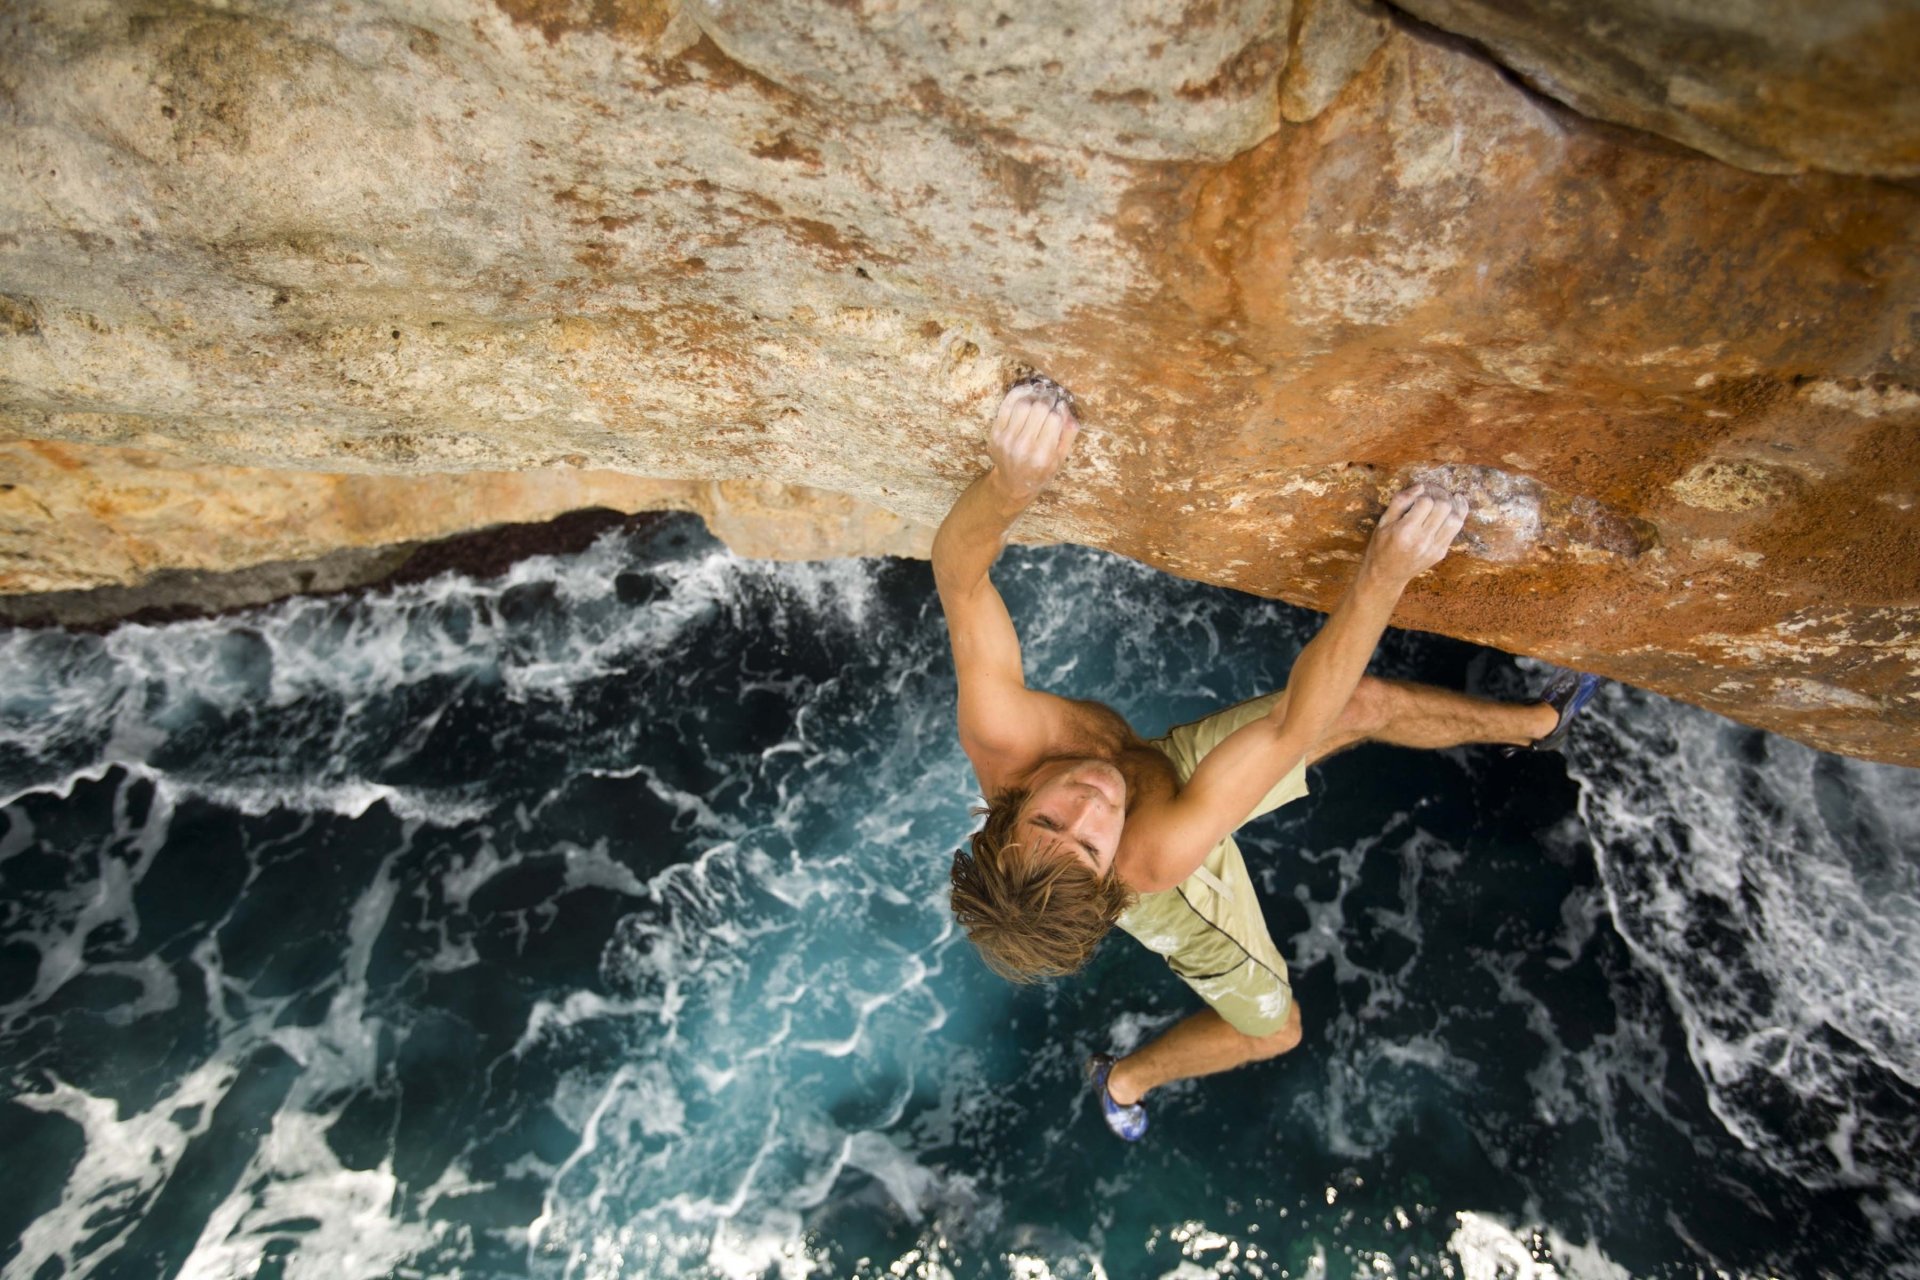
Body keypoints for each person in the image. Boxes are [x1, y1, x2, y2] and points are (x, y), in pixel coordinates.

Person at [936, 376, 1599, 1141]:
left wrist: (1011, 479)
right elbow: (1292, 726)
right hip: (1175, 854)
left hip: (1155, 774)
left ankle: (1536, 725)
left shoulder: (1003, 736)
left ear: (1011, 804)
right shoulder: (1154, 855)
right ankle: (1125, 1081)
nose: (1090, 799)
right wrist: (1383, 572)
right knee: (1275, 1028)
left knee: (1353, 706)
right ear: (1107, 871)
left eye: (1053, 817)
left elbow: (959, 571)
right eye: (1086, 844)